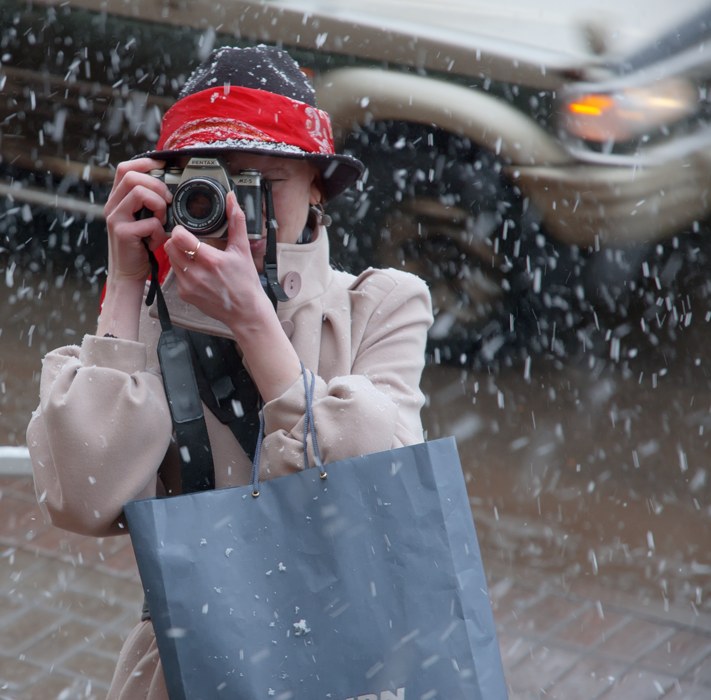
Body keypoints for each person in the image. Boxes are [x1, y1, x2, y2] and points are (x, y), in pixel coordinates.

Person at [26, 45, 432, 699]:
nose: (242, 211)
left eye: (264, 182)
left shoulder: (380, 306)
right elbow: (81, 498)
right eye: (216, 183)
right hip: (188, 661)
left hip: (344, 663)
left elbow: (379, 491)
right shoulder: (150, 314)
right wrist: (124, 281)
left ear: (318, 186)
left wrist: (254, 323)